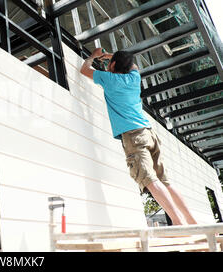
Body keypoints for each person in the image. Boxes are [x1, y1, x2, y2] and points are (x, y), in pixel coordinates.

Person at [80, 48, 197, 226]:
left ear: (112, 65)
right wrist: (113, 57)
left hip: (134, 136)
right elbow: (132, 64)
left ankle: (178, 221)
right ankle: (193, 222)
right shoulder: (134, 78)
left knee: (148, 180)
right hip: (149, 133)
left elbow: (84, 69)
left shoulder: (109, 78)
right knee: (164, 181)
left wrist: (93, 56)